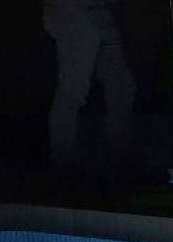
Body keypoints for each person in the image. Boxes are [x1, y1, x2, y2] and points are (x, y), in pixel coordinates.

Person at [44, 0, 135, 170]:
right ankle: (62, 162)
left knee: (121, 86)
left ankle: (119, 156)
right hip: (76, 11)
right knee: (73, 88)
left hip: (99, 12)